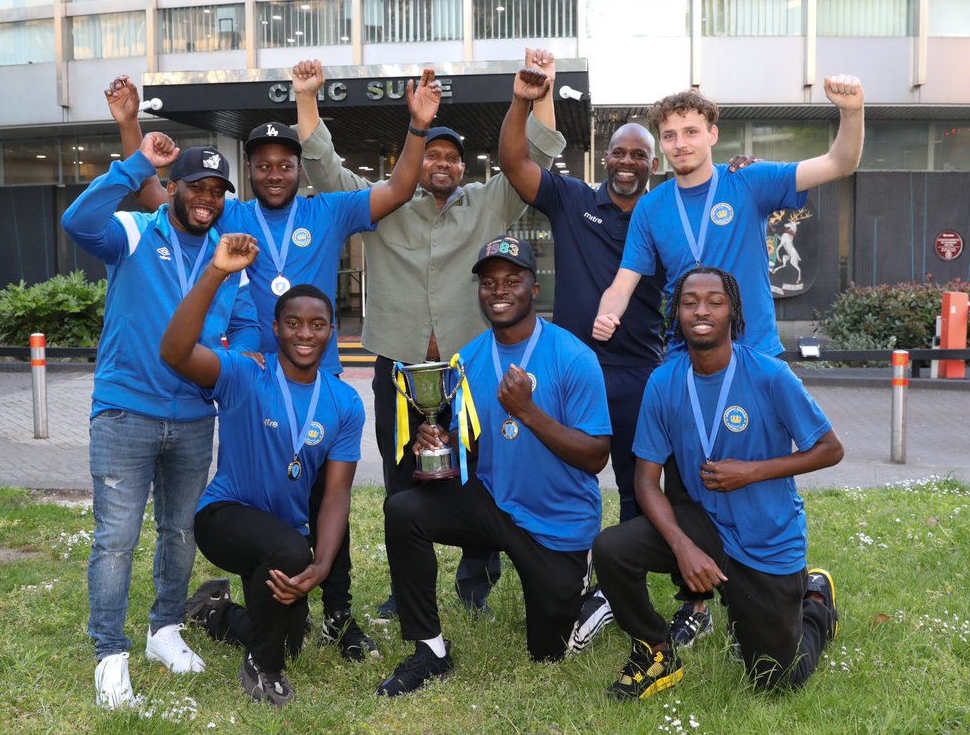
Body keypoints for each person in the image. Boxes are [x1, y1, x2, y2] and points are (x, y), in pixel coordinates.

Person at [106, 69, 442, 660]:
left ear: (298, 168)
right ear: (251, 172)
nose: (274, 173)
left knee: (322, 501)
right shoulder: (229, 215)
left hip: (322, 382)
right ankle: (261, 605)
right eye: (261, 164)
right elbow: (159, 199)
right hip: (254, 385)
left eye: (284, 164)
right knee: (263, 502)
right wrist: (130, 127)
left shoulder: (330, 211)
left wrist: (418, 125)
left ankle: (338, 615)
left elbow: (396, 189)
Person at [292, 53, 567, 616]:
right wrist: (306, 98)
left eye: (451, 157)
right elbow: (324, 169)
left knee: (477, 471)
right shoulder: (382, 207)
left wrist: (542, 93)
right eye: (431, 154)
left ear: (463, 169)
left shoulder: (489, 206)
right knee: (402, 482)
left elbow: (533, 156)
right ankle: (407, 587)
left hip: (469, 372)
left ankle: (476, 582)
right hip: (399, 370)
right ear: (413, 162)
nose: (441, 163)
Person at [498, 66, 755, 653]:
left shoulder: (664, 220)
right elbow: (514, 161)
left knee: (650, 491)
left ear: (654, 163)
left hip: (644, 375)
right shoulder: (571, 201)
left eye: (642, 155)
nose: (629, 162)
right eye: (620, 152)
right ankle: (576, 575)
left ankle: (660, 595)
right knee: (565, 476)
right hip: (572, 374)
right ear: (605, 157)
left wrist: (733, 173)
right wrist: (521, 103)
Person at [61, 132, 258, 708]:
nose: (207, 198)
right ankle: (109, 654)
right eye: (196, 186)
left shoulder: (229, 252)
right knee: (116, 540)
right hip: (125, 411)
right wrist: (137, 163)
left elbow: (245, 324)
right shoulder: (133, 231)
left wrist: (230, 362)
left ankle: (165, 630)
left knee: (179, 531)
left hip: (195, 416)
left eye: (218, 190)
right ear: (170, 188)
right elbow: (78, 219)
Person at [592, 266, 844, 700]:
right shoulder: (664, 381)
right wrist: (682, 547)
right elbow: (647, 481)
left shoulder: (769, 376)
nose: (701, 310)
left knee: (774, 680)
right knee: (611, 549)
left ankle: (816, 601)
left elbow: (829, 449)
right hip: (704, 525)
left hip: (766, 535)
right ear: (677, 315)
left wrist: (752, 471)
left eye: (715, 301)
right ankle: (657, 651)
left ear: (733, 312)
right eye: (689, 303)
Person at [376, 236, 611, 696]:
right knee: (403, 510)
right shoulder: (467, 360)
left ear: (533, 288)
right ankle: (429, 651)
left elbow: (596, 455)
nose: (498, 290)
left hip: (554, 522)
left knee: (547, 655)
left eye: (511, 280)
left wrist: (529, 412)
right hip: (493, 504)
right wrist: (436, 436)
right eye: (488, 282)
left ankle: (593, 598)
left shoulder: (573, 356)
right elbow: (470, 445)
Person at [159, 233, 365, 707]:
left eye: (317, 324)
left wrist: (322, 564)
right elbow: (174, 352)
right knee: (287, 555)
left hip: (284, 537)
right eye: (293, 323)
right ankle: (262, 668)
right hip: (224, 515)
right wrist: (217, 272)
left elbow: (335, 495)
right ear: (275, 329)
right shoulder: (244, 373)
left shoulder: (344, 403)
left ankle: (213, 611)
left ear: (332, 331)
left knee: (289, 633)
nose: (305, 334)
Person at [594, 75, 865, 358]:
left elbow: (839, 163)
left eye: (691, 132)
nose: (680, 144)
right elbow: (621, 287)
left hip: (754, 353)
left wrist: (852, 111)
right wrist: (605, 316)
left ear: (712, 135)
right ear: (661, 145)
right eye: (669, 135)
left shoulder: (747, 180)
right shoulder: (650, 207)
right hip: (686, 355)